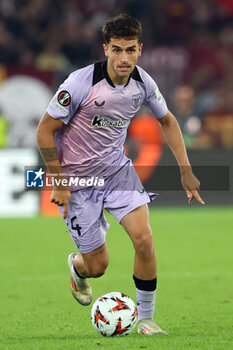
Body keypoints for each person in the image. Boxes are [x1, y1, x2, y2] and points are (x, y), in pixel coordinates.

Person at [36, 14, 205, 336]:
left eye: (130, 50)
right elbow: (45, 130)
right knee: (97, 267)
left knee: (144, 239)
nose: (124, 58)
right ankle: (78, 267)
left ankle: (146, 318)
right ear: (106, 49)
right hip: (77, 181)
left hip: (117, 172)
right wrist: (59, 181)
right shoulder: (79, 83)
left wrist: (186, 170)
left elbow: (167, 120)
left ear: (140, 49)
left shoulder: (144, 83)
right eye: (117, 50)